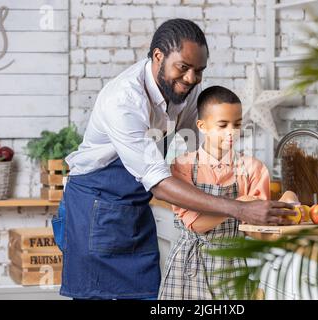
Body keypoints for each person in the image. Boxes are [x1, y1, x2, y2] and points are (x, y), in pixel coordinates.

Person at [53, 19, 293, 300]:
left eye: (199, 71)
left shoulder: (181, 92)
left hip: (133, 209)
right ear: (158, 56)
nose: (191, 78)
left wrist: (248, 176)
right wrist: (240, 209)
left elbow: (206, 142)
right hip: (95, 209)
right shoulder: (124, 100)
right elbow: (158, 182)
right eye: (183, 68)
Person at [158, 86, 280, 300]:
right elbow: (196, 224)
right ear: (202, 126)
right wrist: (240, 205)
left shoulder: (253, 169)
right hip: (189, 266)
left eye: (237, 124)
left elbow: (257, 228)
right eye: (222, 125)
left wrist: (283, 215)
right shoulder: (183, 166)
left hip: (231, 266)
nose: (231, 132)